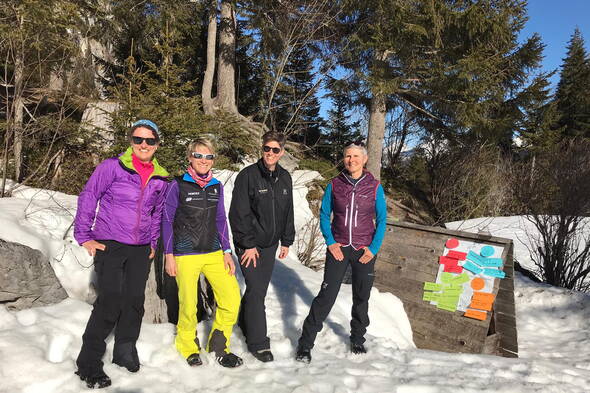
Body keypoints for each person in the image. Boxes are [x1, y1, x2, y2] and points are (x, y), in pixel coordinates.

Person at [73, 119, 169, 388]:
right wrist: (84, 236)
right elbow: (90, 195)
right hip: (110, 243)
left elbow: (157, 213)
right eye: (138, 139)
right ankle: (88, 362)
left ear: (157, 144)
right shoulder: (112, 167)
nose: (143, 145)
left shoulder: (160, 176)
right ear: (131, 141)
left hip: (140, 248)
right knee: (110, 299)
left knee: (134, 301)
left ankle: (125, 350)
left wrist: (152, 243)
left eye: (149, 140)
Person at [295, 143, 387, 363]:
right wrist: (331, 243)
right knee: (326, 296)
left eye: (356, 156)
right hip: (339, 249)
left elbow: (382, 220)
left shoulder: (374, 187)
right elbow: (325, 215)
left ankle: (357, 339)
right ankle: (305, 345)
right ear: (343, 159)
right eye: (347, 156)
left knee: (361, 297)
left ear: (364, 159)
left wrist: (373, 249)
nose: (351, 160)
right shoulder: (335, 184)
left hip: (364, 251)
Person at [162, 137, 242, 368]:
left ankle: (218, 343)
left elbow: (220, 219)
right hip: (185, 254)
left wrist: (227, 251)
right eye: (198, 155)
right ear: (190, 158)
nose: (203, 160)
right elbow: (166, 220)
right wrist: (169, 254)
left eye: (208, 156)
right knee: (188, 304)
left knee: (231, 296)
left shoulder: (216, 186)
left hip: (214, 252)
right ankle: (187, 344)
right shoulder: (177, 185)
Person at [229, 131, 295, 362]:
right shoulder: (248, 176)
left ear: (282, 152)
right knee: (257, 292)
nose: (270, 153)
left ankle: (245, 321)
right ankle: (258, 343)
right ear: (262, 149)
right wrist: (247, 244)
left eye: (275, 150)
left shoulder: (285, 177)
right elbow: (238, 213)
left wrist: (287, 240)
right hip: (250, 245)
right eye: (267, 148)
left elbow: (288, 212)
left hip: (269, 245)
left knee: (258, 290)